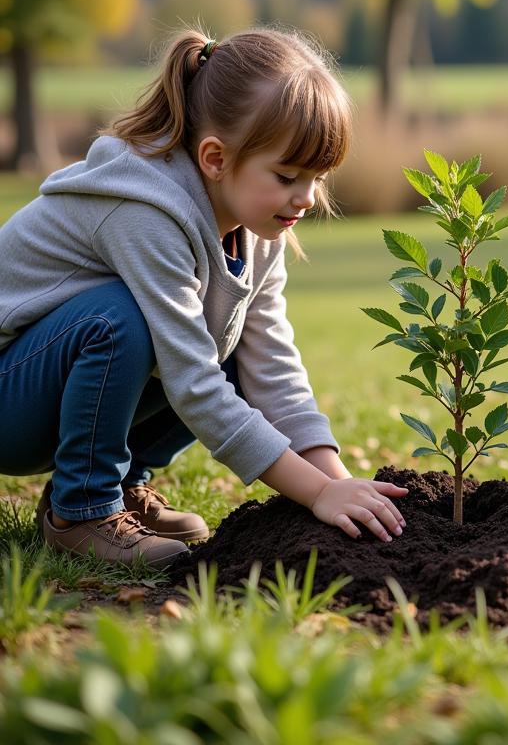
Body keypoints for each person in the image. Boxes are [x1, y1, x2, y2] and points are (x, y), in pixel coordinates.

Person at [0, 29, 407, 569]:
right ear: (215, 158)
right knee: (121, 318)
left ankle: (119, 485)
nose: (307, 198)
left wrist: (337, 482)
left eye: (318, 178)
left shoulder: (258, 226)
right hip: (11, 397)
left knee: (224, 333)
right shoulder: (143, 210)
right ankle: (83, 509)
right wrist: (312, 493)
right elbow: (193, 383)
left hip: (49, 394)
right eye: (288, 175)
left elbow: (272, 369)